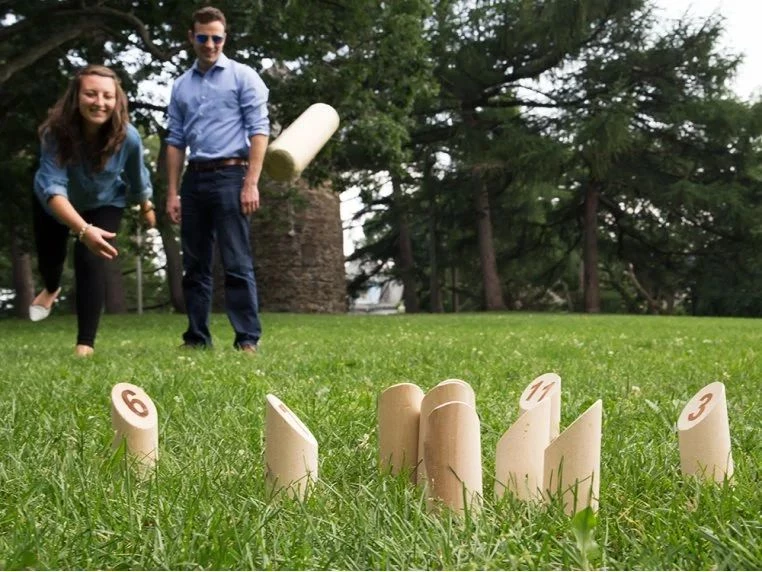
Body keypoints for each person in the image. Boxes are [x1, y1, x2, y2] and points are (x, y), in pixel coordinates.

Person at [29, 64, 155, 357]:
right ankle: (50, 288)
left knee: (90, 258)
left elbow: (137, 178)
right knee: (51, 259)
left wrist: (146, 206)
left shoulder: (128, 137)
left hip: (105, 201)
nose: (100, 102)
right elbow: (53, 188)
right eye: (91, 94)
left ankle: (85, 343)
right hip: (57, 205)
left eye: (107, 96)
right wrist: (82, 229)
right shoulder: (54, 133)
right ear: (76, 97)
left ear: (117, 100)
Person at [165, 6, 269, 353]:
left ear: (225, 38)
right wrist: (172, 192)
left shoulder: (243, 77)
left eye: (216, 38)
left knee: (236, 261)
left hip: (232, 175)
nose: (210, 44)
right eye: (203, 37)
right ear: (191, 37)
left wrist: (250, 182)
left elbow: (259, 131)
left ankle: (247, 338)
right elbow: (175, 140)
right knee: (195, 265)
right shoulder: (181, 86)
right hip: (194, 180)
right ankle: (197, 337)